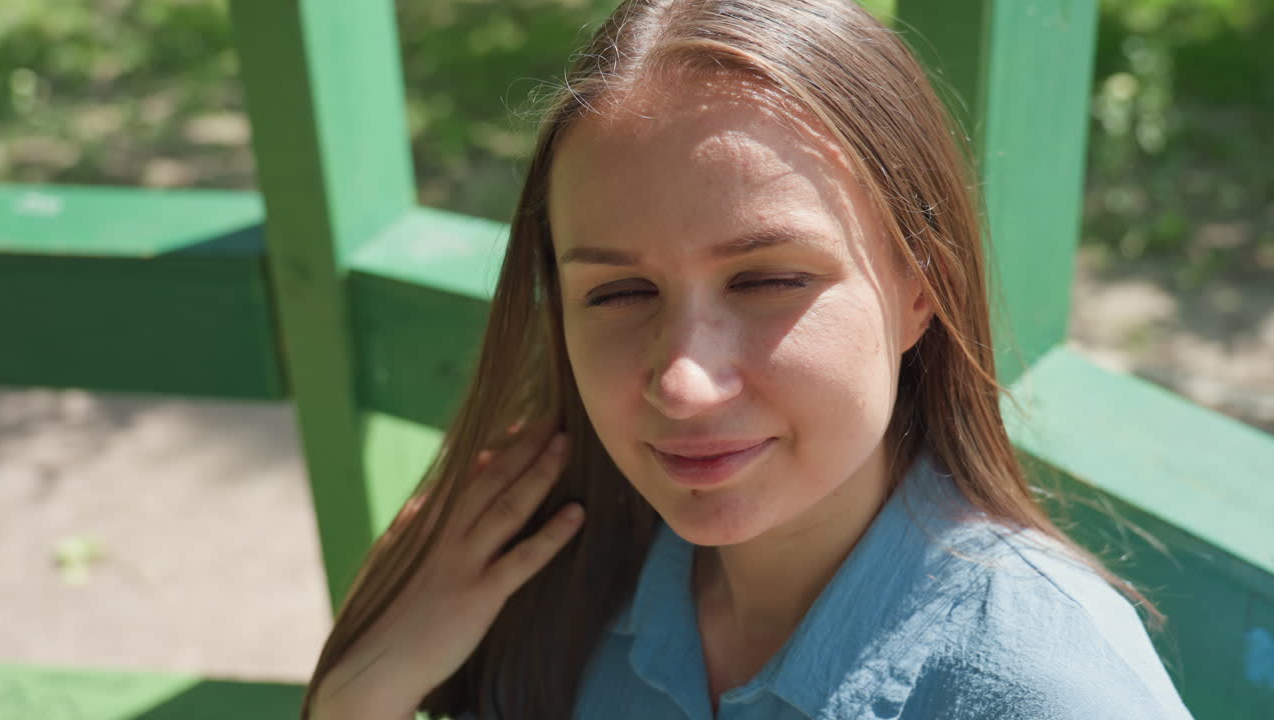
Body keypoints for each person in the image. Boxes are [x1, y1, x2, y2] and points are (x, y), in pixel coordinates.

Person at [303, 1, 1196, 718]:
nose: (684, 383)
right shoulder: (554, 595)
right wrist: (361, 699)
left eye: (767, 280)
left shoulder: (1047, 684)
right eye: (618, 295)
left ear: (920, 292)